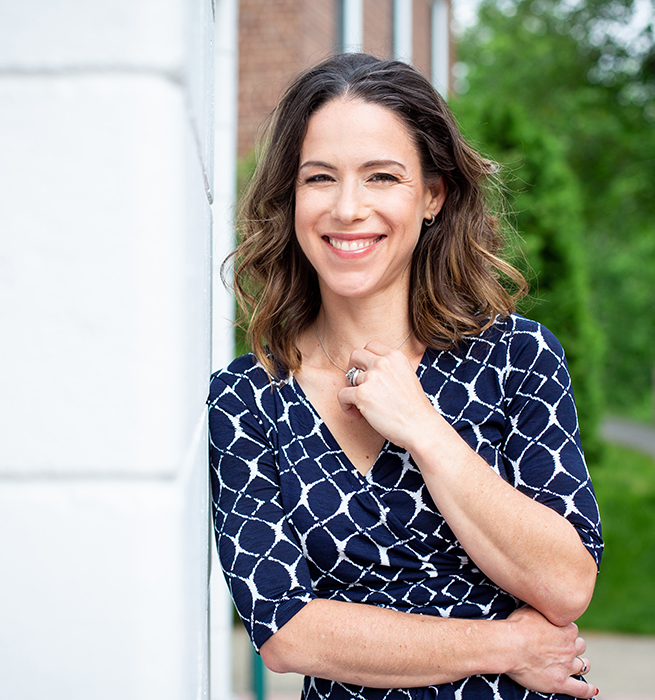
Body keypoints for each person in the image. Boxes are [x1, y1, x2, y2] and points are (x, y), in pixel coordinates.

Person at [208, 53, 602, 700]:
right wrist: (510, 645)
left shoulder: (517, 358)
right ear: (290, 197)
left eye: (382, 177)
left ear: (432, 195)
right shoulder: (249, 400)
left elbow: (565, 583)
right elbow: (287, 632)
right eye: (319, 178)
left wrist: (422, 428)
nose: (348, 207)